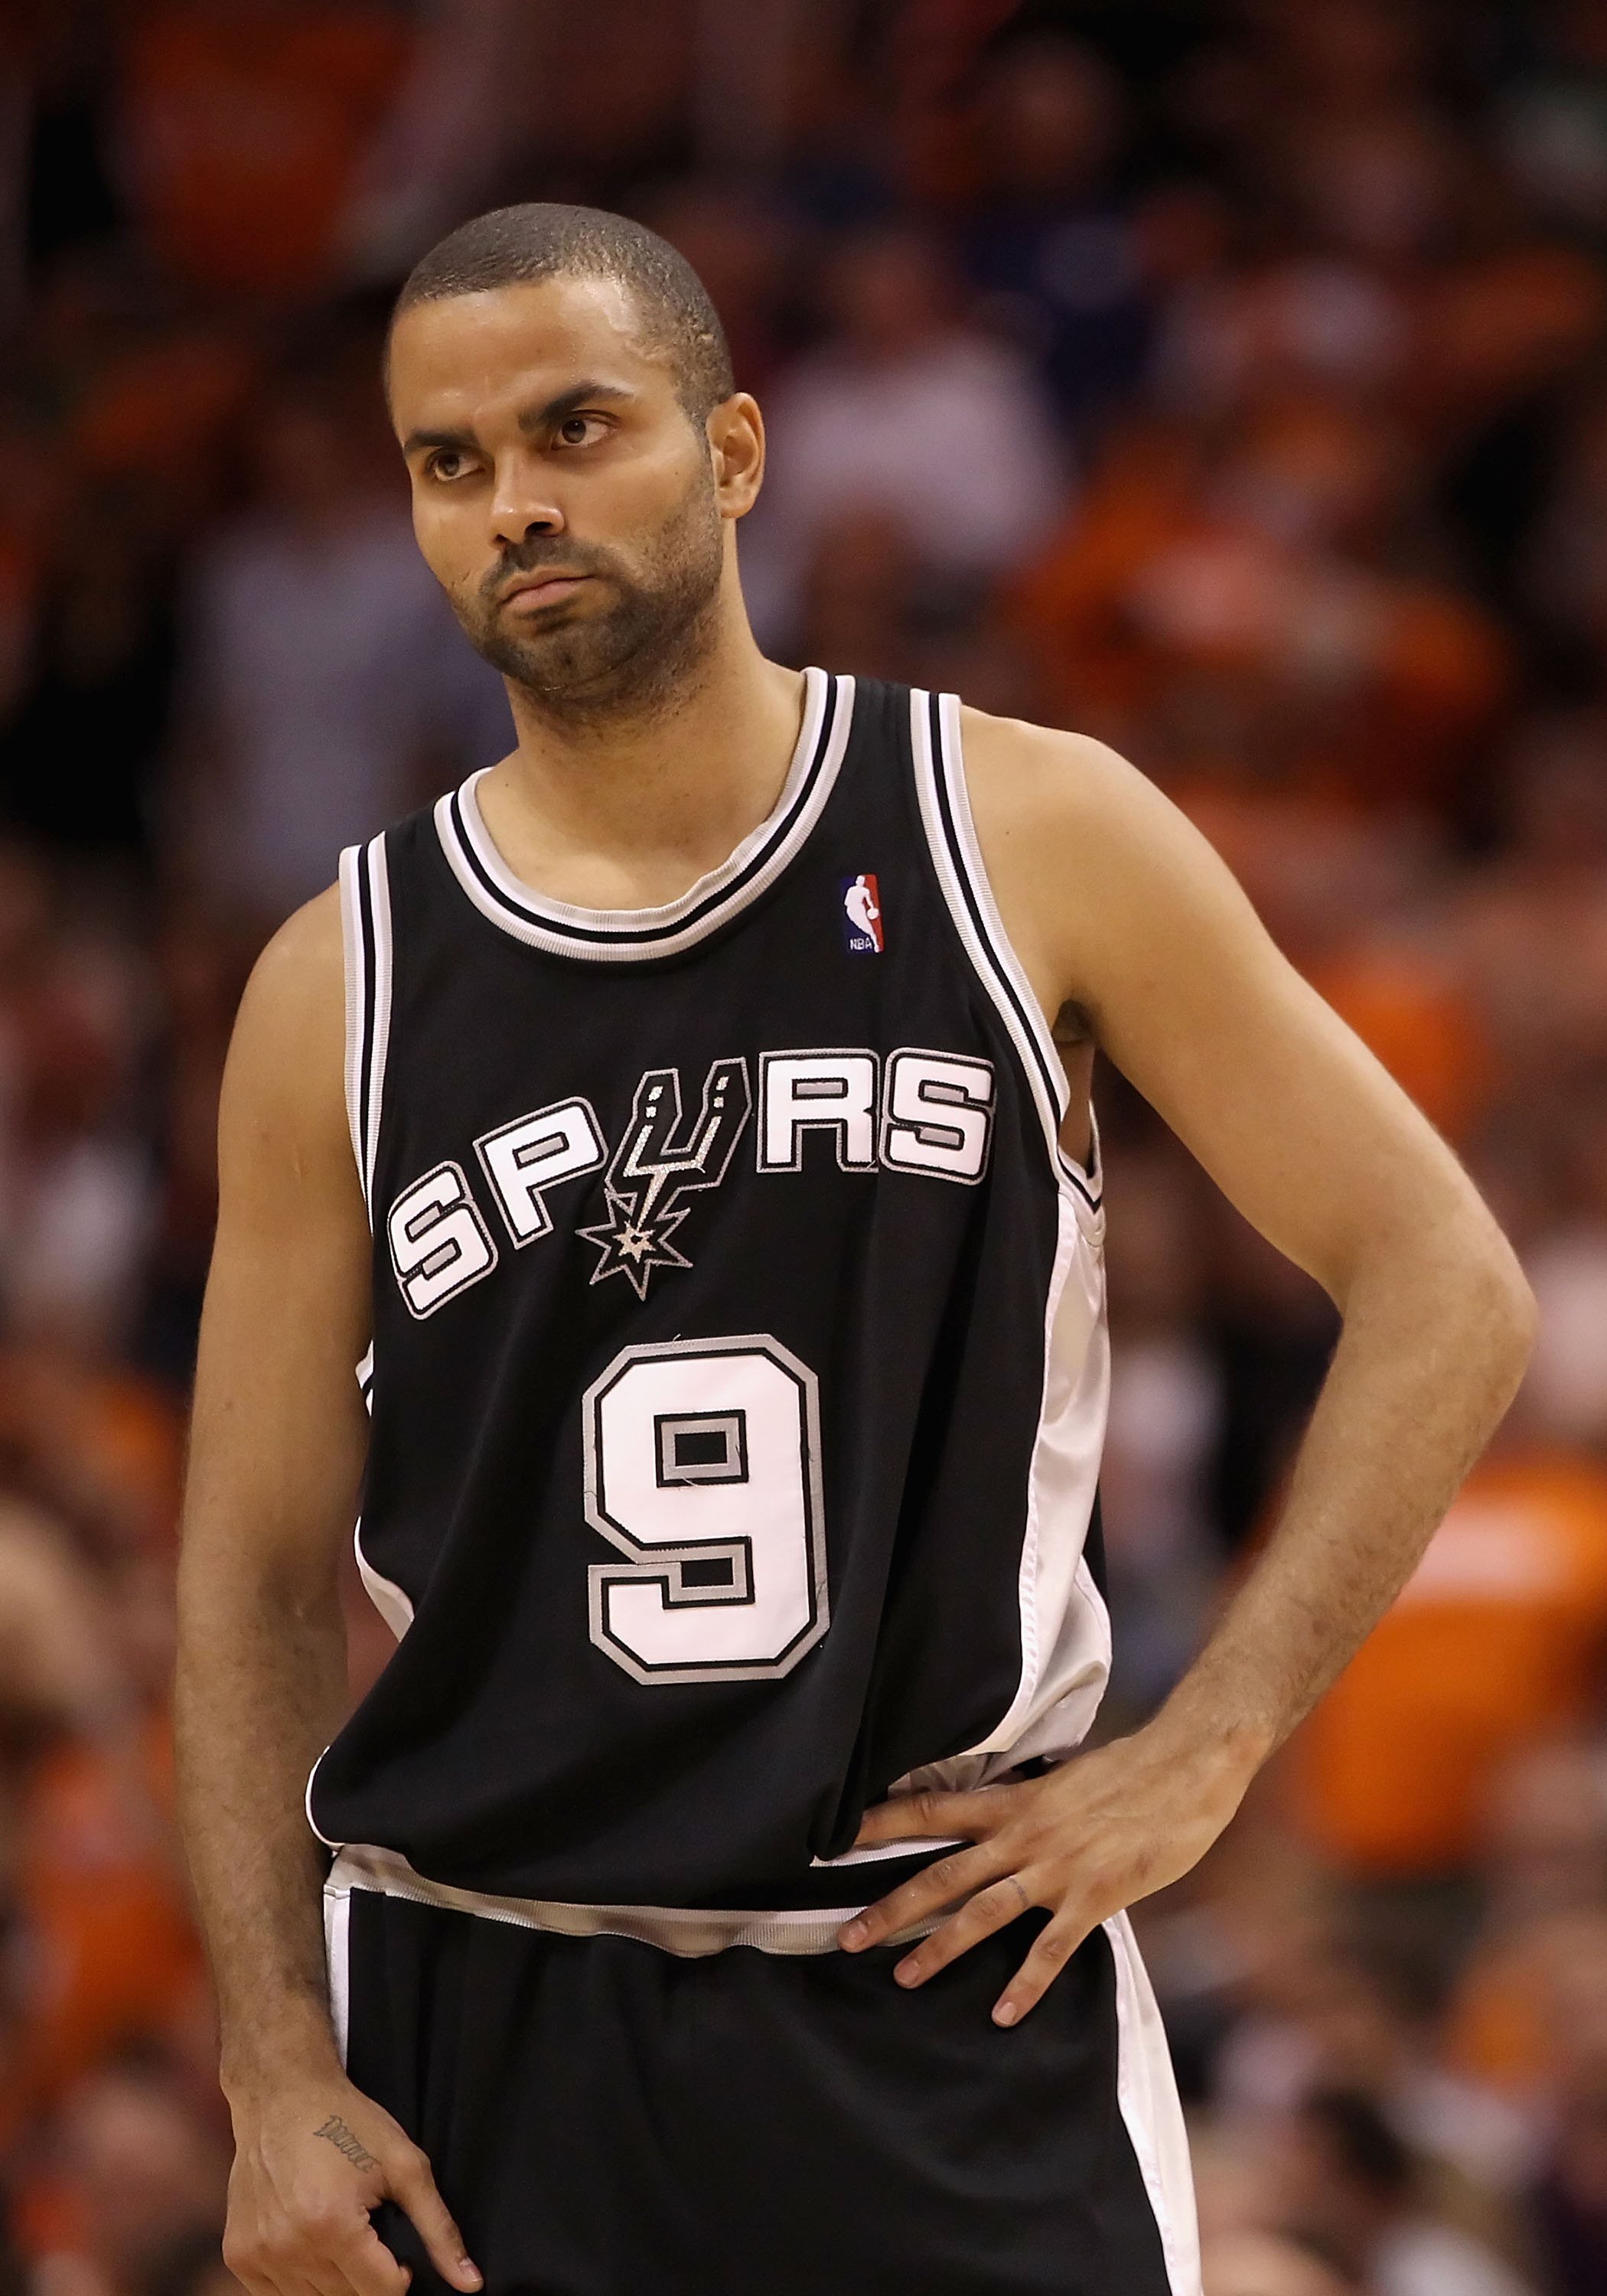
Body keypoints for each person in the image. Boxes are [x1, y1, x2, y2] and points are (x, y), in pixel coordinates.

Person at [173, 204, 1535, 2296]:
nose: (515, 504)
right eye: (449, 464)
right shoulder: (335, 982)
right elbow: (257, 1573)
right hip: (482, 2020)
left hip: (939, 1987)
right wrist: (272, 2070)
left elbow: (1443, 1283)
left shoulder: (1024, 832)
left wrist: (1213, 1737)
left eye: (574, 427)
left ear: (730, 452)